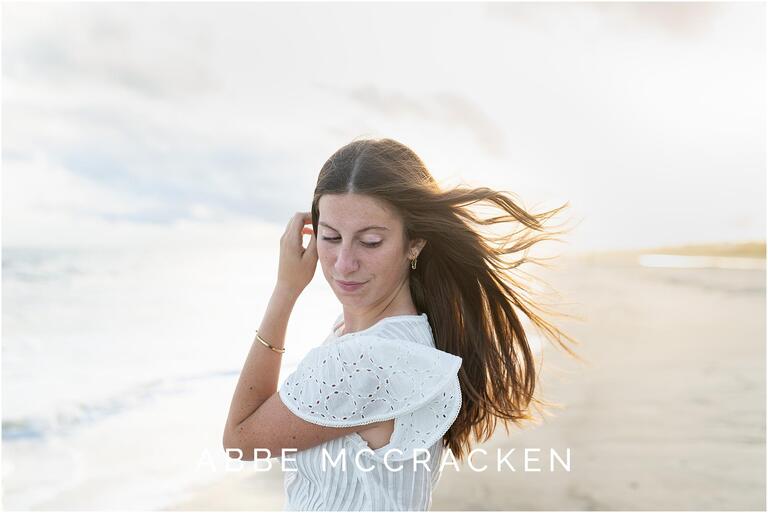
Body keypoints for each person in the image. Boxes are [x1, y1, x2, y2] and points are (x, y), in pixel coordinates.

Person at [223, 137, 580, 510]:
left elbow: (240, 439)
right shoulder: (403, 338)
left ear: (414, 243)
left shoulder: (367, 358)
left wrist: (285, 290)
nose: (344, 263)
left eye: (371, 242)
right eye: (330, 237)